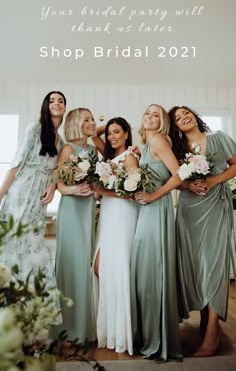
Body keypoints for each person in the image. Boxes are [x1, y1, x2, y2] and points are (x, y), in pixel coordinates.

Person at [168, 105, 236, 357]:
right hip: (189, 211)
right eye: (177, 118)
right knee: (196, 265)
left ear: (194, 116)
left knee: (215, 263)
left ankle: (212, 332)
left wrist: (214, 179)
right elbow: (173, 179)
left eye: (186, 113)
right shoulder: (177, 150)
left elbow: (235, 165)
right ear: (175, 126)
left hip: (216, 204)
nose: (184, 117)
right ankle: (206, 319)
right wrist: (188, 185)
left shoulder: (219, 138)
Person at [130, 104, 183, 361]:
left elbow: (179, 176)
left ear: (162, 122)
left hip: (157, 207)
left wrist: (153, 195)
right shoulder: (148, 143)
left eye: (156, 115)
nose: (149, 117)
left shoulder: (160, 140)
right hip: (146, 210)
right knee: (144, 269)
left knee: (152, 270)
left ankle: (156, 338)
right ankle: (147, 334)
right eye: (147, 113)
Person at [0, 91, 66, 291]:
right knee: (15, 241)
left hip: (38, 198)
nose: (56, 103)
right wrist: (0, 195)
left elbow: (57, 171)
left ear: (65, 107)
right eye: (52, 100)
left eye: (61, 101)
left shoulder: (61, 141)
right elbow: (17, 162)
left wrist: (53, 187)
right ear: (46, 106)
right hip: (22, 190)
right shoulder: (35, 128)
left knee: (32, 245)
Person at [49, 107, 97, 343]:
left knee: (84, 266)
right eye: (86, 119)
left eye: (91, 119)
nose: (91, 122)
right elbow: (58, 183)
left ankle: (83, 327)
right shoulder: (68, 148)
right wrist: (73, 189)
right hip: (71, 210)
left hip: (88, 210)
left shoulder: (93, 149)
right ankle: (66, 330)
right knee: (71, 265)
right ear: (77, 122)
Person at [92, 117, 138, 355]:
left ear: (127, 134)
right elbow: (93, 134)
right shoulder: (109, 157)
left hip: (122, 214)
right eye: (109, 132)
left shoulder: (130, 157)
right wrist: (107, 125)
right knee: (100, 268)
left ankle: (123, 332)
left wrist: (103, 190)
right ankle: (110, 329)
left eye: (117, 132)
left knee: (117, 268)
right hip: (108, 215)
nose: (111, 136)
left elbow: (134, 193)